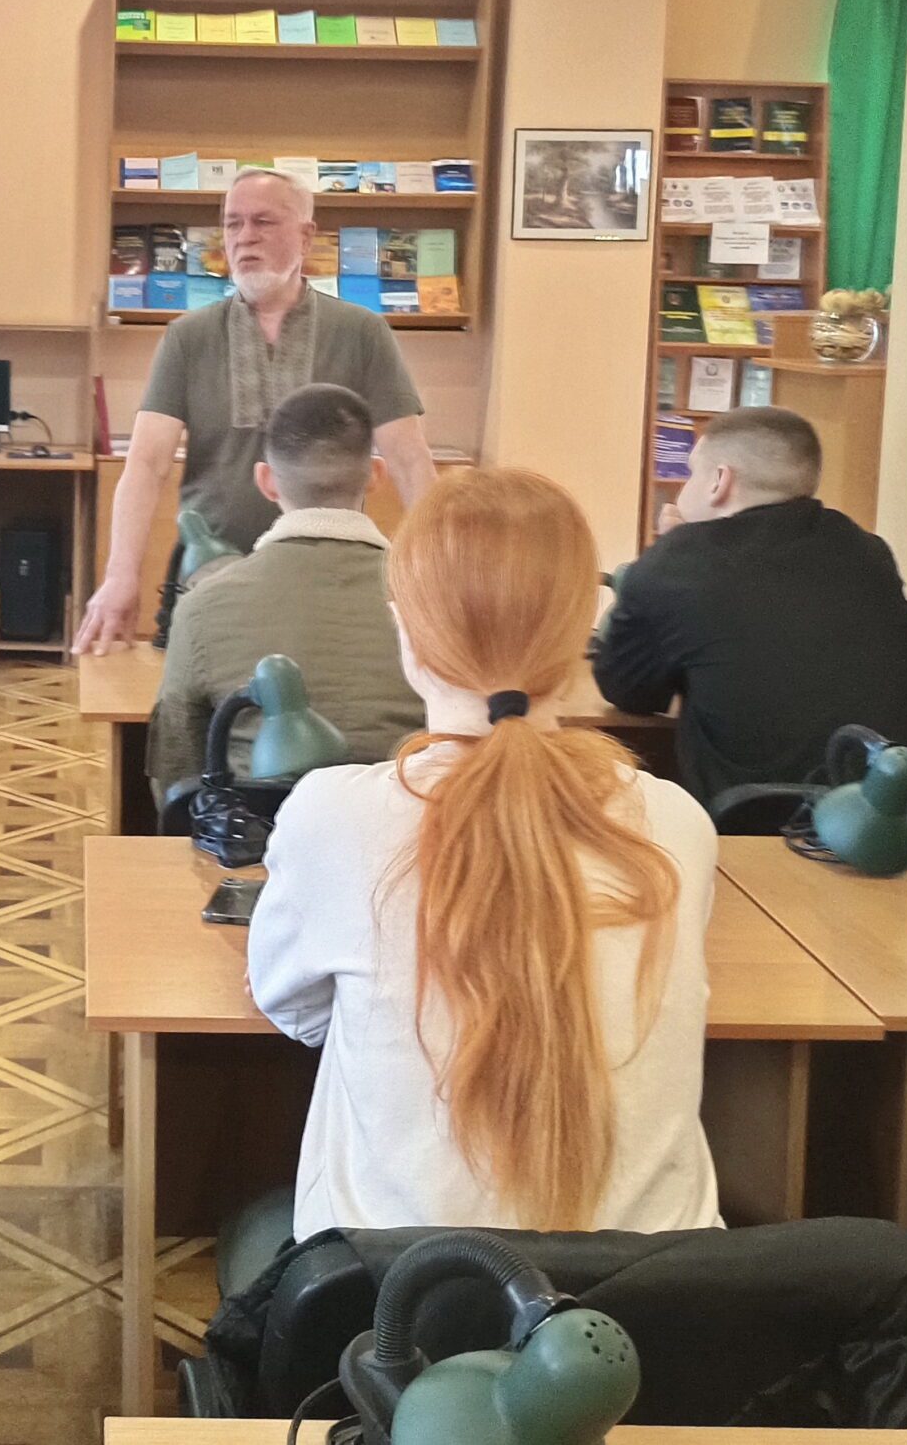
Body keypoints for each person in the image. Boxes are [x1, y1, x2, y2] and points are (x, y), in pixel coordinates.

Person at [248, 466, 720, 1240]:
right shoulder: (677, 823)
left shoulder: (332, 816)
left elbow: (294, 1011)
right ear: (583, 632)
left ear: (406, 632)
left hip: (395, 1294)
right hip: (654, 1300)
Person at [73, 168, 436, 652]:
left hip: (326, 585)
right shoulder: (188, 337)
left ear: (306, 236)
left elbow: (409, 460)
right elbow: (145, 464)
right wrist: (120, 575)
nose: (244, 237)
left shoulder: (361, 333)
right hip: (209, 579)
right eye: (233, 223)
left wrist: (440, 574)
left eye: (263, 221)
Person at [592, 406, 907, 801]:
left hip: (753, 819)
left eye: (691, 473)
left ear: (719, 481)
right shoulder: (869, 552)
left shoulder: (677, 562)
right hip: (900, 815)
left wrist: (665, 554)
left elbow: (628, 691)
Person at [146, 382, 422, 807]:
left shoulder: (202, 606)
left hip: (256, 841)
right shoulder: (438, 603)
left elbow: (176, 776)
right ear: (375, 475)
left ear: (266, 481)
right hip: (413, 836)